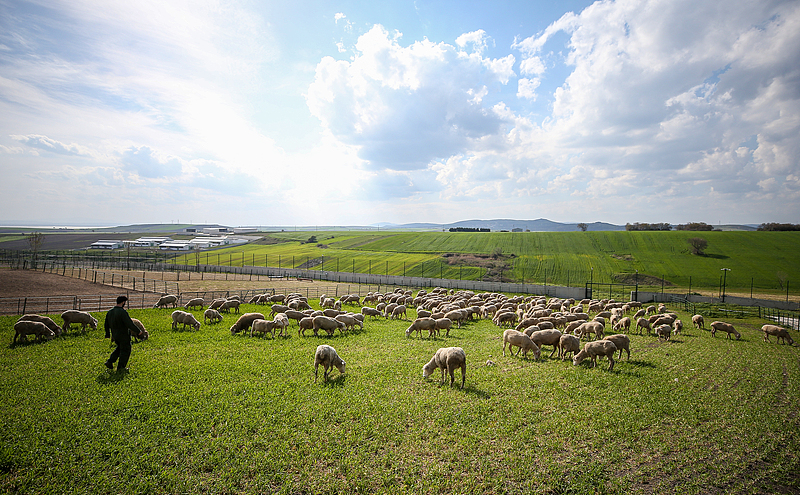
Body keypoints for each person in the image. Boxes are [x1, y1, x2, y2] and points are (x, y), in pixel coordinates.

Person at [104, 295, 139, 373]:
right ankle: (121, 367)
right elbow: (129, 324)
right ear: (123, 302)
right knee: (126, 350)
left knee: (119, 348)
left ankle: (110, 361)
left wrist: (107, 334)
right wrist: (138, 331)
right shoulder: (122, 312)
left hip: (115, 335)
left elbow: (106, 324)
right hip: (124, 335)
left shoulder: (110, 312)